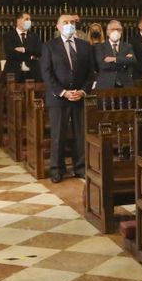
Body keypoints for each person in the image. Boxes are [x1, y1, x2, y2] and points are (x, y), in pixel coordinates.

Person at [39, 13, 94, 181]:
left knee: (80, 134)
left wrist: (83, 91)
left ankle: (80, 167)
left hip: (79, 97)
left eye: (72, 22)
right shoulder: (50, 46)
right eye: (65, 22)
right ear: (58, 26)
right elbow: (46, 73)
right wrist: (63, 92)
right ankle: (57, 169)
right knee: (58, 135)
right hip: (58, 98)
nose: (69, 24)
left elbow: (91, 74)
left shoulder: (85, 46)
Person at [94, 19, 138, 89]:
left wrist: (115, 59)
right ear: (107, 32)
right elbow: (103, 65)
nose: (116, 32)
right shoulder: (100, 47)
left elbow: (133, 60)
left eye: (118, 29)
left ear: (122, 31)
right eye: (113, 29)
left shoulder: (127, 46)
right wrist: (124, 62)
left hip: (125, 84)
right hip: (106, 84)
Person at [3, 11, 40, 80]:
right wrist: (31, 56)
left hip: (33, 73)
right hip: (14, 72)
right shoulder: (8, 36)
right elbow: (10, 53)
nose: (29, 22)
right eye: (26, 19)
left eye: (30, 19)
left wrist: (24, 50)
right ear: (18, 21)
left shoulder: (34, 36)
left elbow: (39, 51)